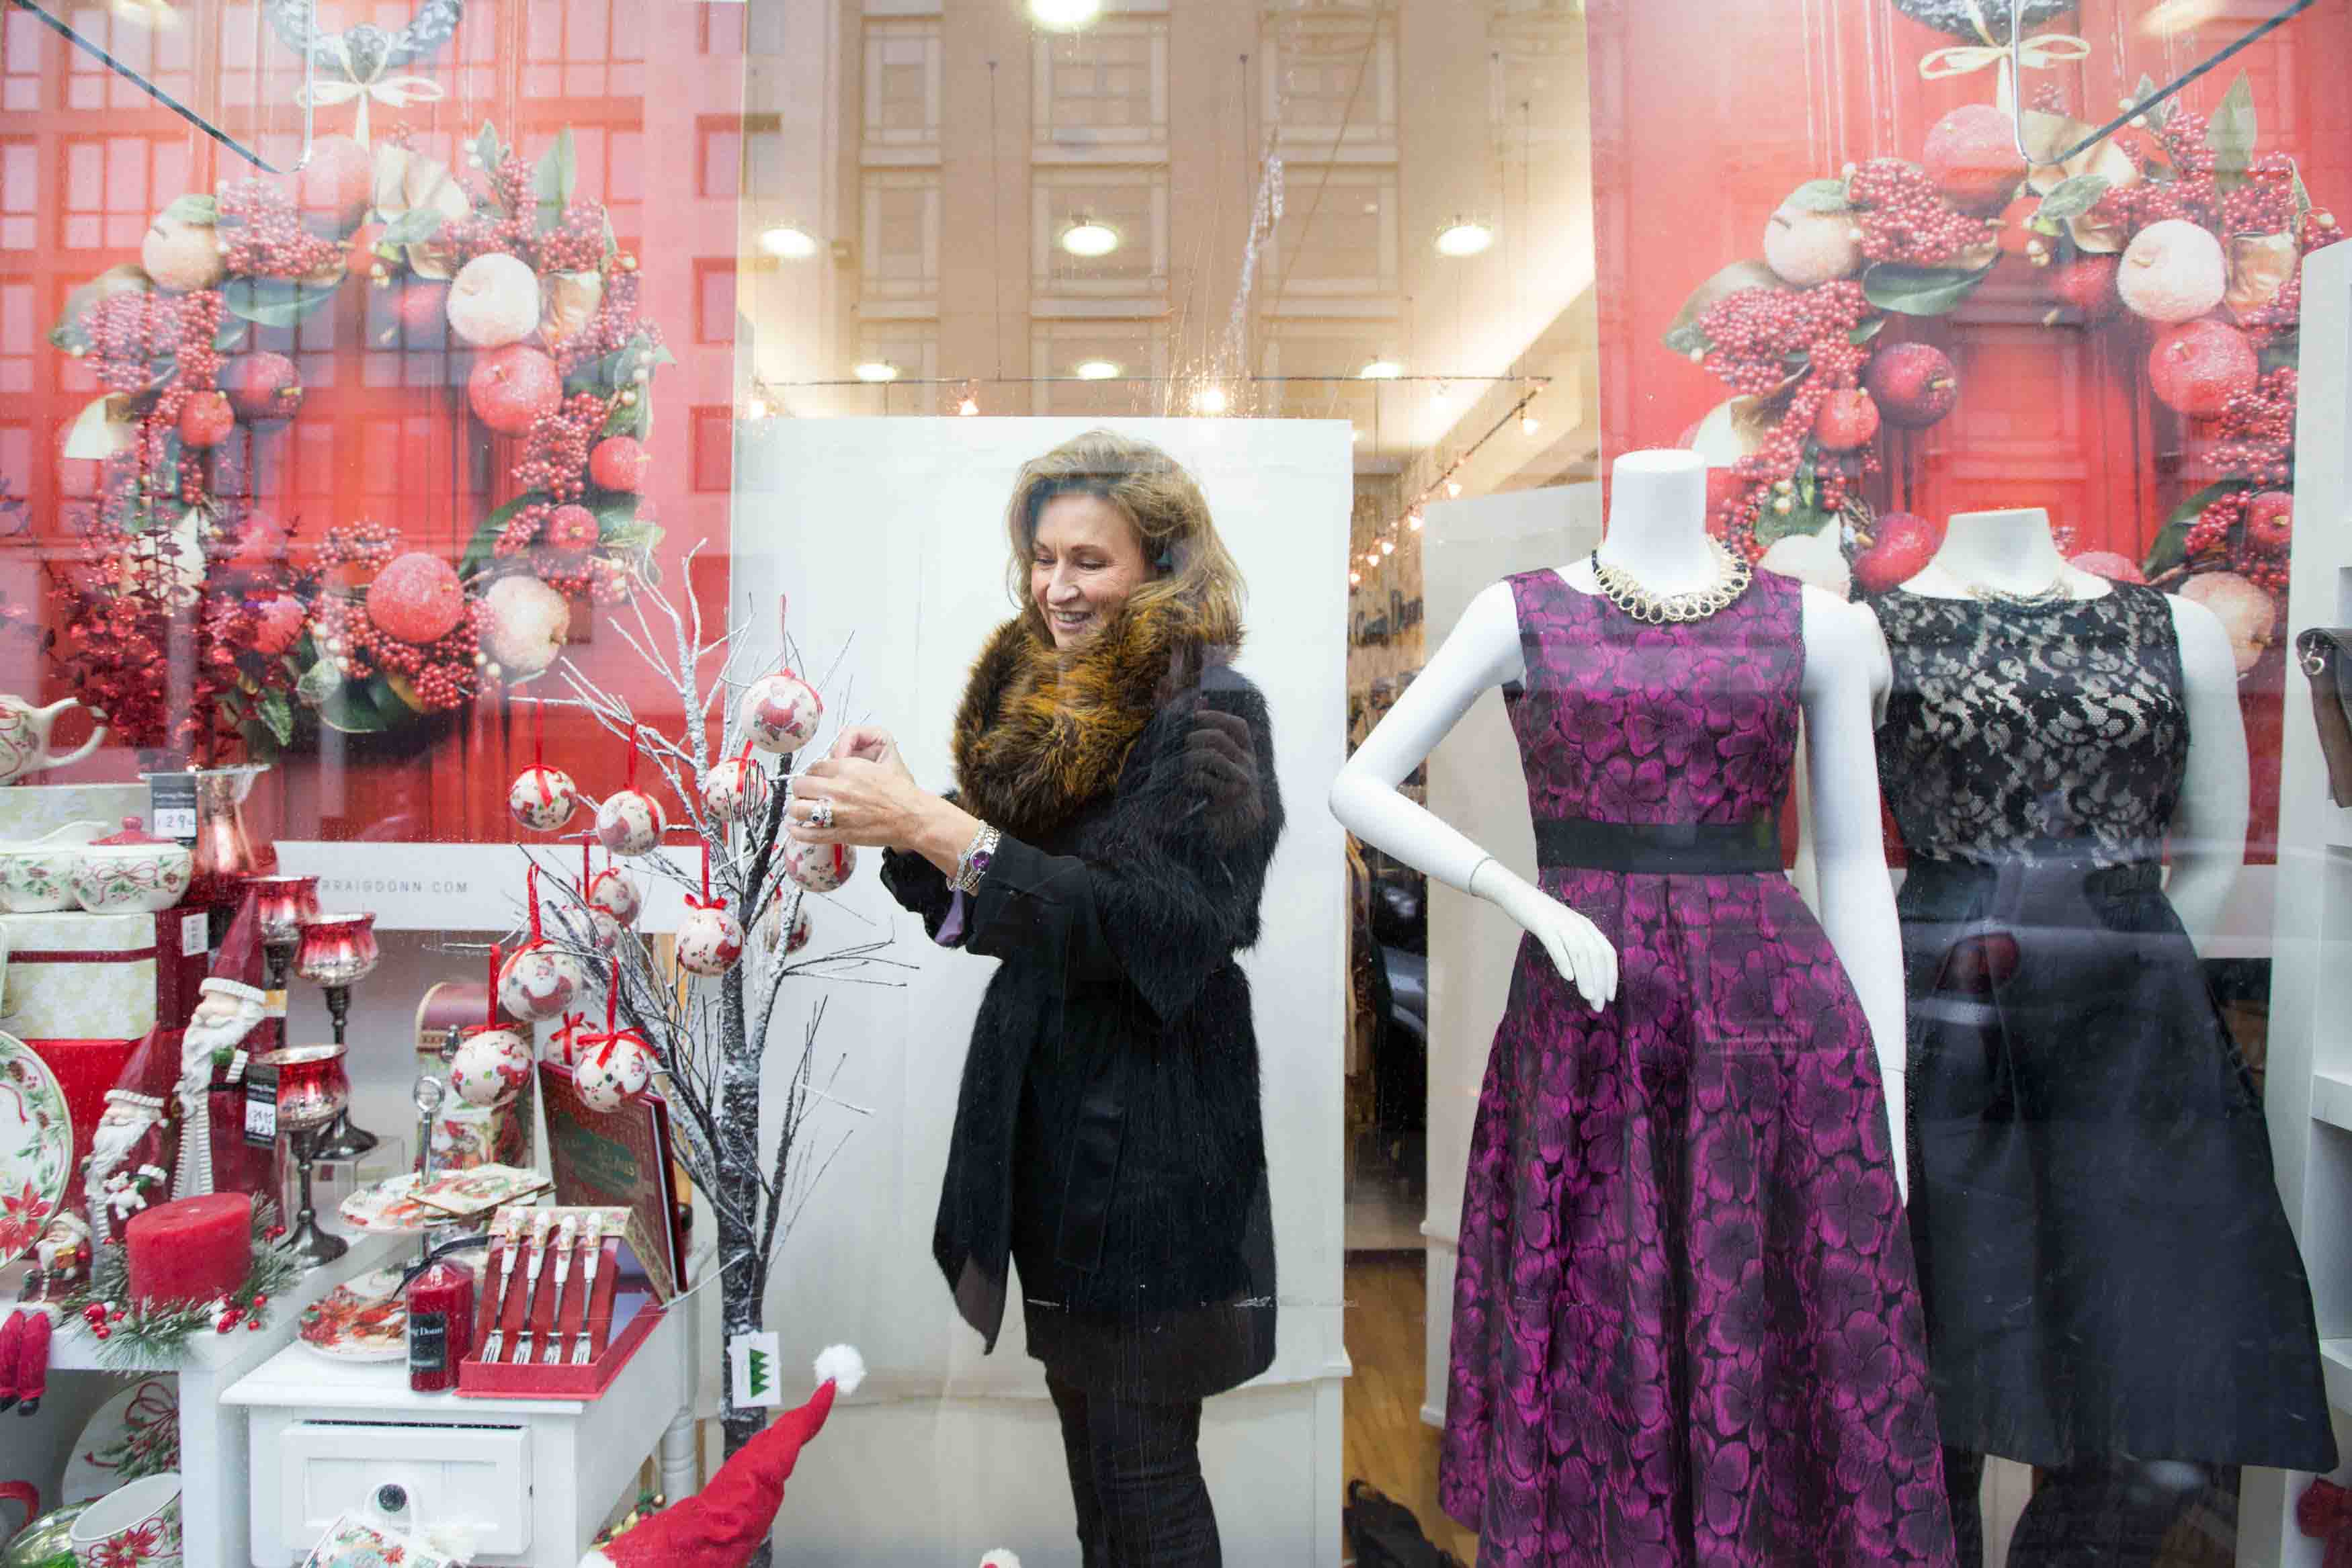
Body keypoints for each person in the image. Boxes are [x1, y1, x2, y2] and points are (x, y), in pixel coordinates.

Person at [786, 429, 1282, 1567]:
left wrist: (933, 826)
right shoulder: (1060, 700)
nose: (1058, 588)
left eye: (1090, 562)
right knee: (1101, 1462)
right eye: (1043, 558)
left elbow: (1145, 929)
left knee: (1143, 1473)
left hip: (1150, 1142)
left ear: (1163, 565)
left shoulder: (1212, 713)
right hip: (1064, 1131)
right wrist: (914, 810)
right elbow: (1010, 891)